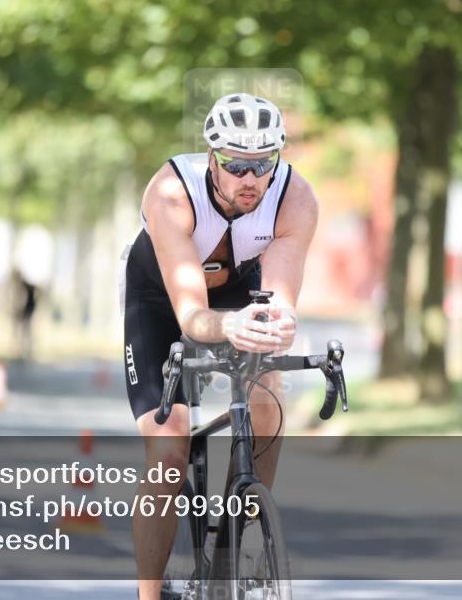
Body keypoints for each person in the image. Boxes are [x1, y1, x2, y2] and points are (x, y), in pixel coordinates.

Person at [122, 92, 319, 599]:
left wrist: (279, 324)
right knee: (170, 448)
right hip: (162, 299)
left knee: (268, 396)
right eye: (235, 164)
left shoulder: (295, 198)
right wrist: (228, 326)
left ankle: (235, 541)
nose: (249, 178)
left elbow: (281, 299)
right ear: (212, 158)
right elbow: (191, 316)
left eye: (262, 164)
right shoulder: (171, 193)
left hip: (237, 289)